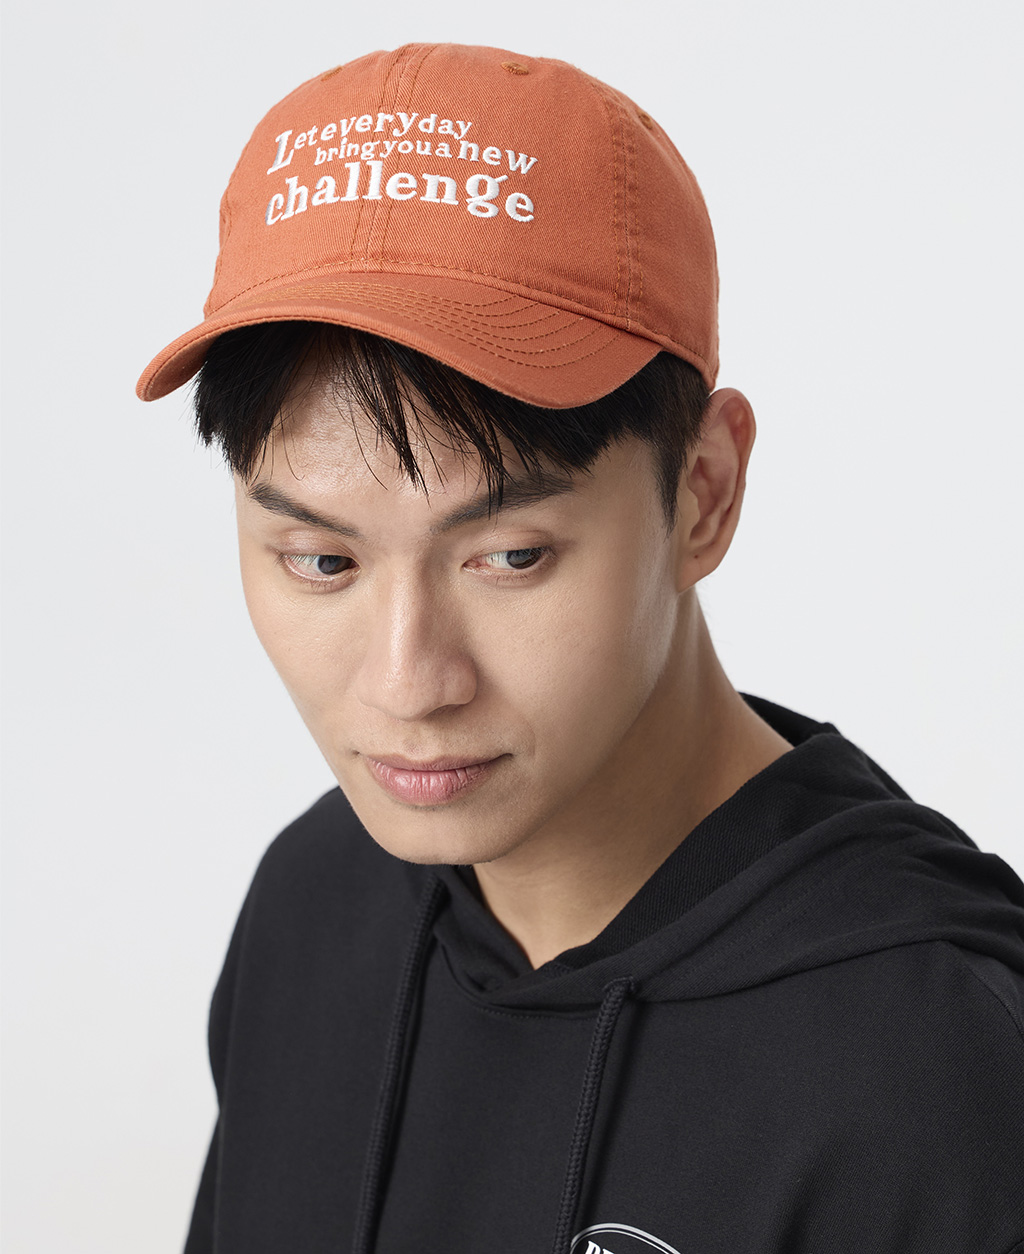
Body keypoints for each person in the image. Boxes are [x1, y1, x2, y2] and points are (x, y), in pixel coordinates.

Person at [137, 43, 1024, 1254]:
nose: (408, 683)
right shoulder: (317, 904)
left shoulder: (932, 1063)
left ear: (702, 494)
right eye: (323, 563)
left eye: (510, 556)